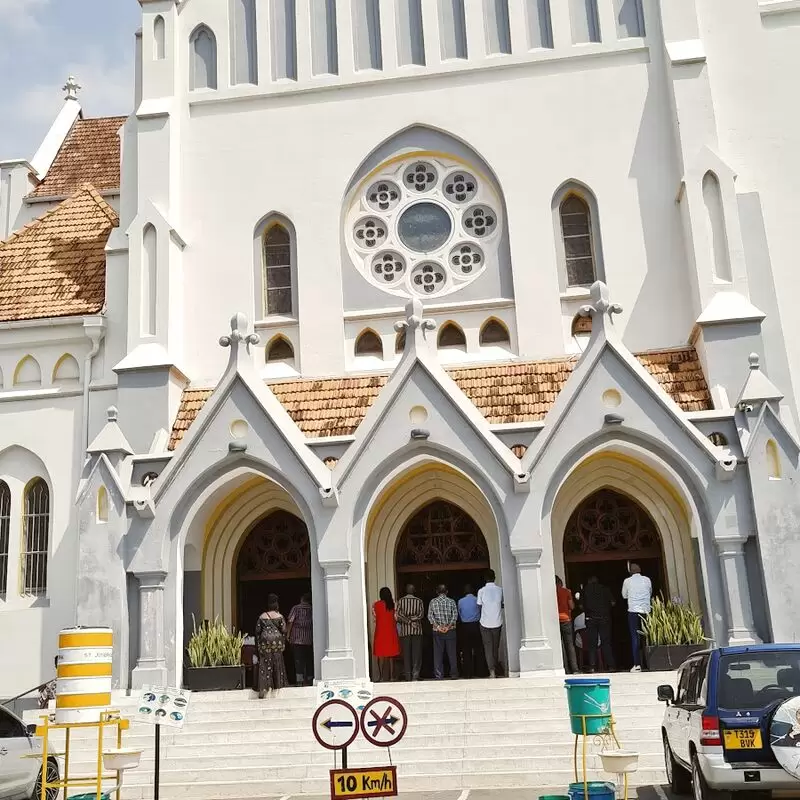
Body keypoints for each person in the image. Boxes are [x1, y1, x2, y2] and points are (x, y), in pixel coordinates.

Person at [255, 593, 288, 698]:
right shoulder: (279, 616)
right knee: (277, 662)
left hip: (265, 643)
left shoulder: (262, 616)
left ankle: (264, 687)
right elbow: (284, 630)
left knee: (265, 664)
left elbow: (257, 631)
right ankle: (277, 685)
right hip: (277, 643)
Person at [622, 563, 652, 672]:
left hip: (633, 611)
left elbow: (624, 595)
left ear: (630, 572)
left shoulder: (627, 581)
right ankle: (649, 663)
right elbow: (650, 592)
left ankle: (637, 664)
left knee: (635, 637)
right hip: (646, 611)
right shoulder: (647, 580)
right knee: (647, 636)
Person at [582, 576, 615, 672]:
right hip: (604, 618)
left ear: (589, 581)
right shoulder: (605, 589)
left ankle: (592, 666)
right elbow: (613, 602)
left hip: (591, 618)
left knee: (592, 643)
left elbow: (580, 605)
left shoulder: (585, 590)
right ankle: (611, 666)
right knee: (606, 642)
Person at [428, 584, 459, 679]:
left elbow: (430, 616)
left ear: (437, 592)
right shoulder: (451, 601)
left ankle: (439, 675)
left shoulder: (433, 602)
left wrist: (438, 627)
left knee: (438, 654)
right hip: (450, 631)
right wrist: (448, 626)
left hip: (438, 631)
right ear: (447, 592)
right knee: (452, 654)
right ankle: (453, 674)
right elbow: (455, 616)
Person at [477, 569, 503, 678]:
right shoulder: (500, 590)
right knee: (495, 647)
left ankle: (491, 672)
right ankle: (495, 670)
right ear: (494, 577)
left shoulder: (481, 591)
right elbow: (502, 603)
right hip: (497, 622)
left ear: (485, 579)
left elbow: (479, 605)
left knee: (488, 648)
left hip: (485, 623)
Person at [395, 584, 424, 681]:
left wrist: (408, 622)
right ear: (414, 590)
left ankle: (408, 676)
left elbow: (398, 615)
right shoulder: (419, 601)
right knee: (416, 654)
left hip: (405, 631)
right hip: (417, 630)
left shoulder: (401, 601)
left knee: (406, 654)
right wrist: (413, 621)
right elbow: (421, 614)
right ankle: (415, 675)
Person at [372, 586, 401, 681]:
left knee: (380, 655)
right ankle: (392, 677)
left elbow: (375, 619)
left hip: (380, 632)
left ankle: (380, 677)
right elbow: (396, 618)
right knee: (392, 655)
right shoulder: (394, 605)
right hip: (391, 632)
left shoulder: (375, 605)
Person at [286, 592, 313, 687]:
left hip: (297, 639)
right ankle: (310, 679)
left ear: (302, 599)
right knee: (309, 660)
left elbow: (290, 621)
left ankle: (299, 681)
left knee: (298, 660)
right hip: (309, 639)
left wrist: (288, 634)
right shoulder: (312, 609)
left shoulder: (296, 608)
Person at [458, 584, 482, 679]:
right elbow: (480, 611)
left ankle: (467, 674)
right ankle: (480, 672)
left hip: (465, 627)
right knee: (478, 649)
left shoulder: (460, 601)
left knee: (466, 650)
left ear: (464, 591)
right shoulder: (477, 600)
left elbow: (459, 613)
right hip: (476, 625)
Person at [556, 576, 579, 674]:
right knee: (569, 645)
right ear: (560, 583)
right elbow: (572, 606)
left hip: (554, 621)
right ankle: (574, 669)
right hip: (566, 619)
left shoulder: (549, 593)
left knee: (557, 646)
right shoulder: (566, 592)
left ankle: (562, 668)